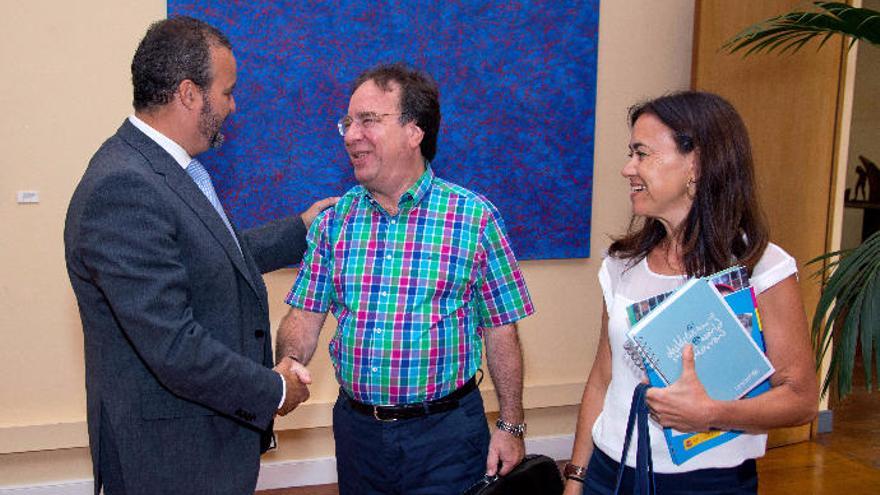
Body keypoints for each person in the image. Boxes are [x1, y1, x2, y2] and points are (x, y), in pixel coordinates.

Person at [64, 16, 335, 495]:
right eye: (227, 92)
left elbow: (207, 256)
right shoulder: (124, 186)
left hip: (199, 448)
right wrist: (272, 390)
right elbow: (172, 347)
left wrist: (300, 230)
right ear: (189, 94)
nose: (233, 106)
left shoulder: (161, 169)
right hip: (169, 460)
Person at [275, 63, 535, 494]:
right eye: (347, 121)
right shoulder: (333, 222)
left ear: (415, 132)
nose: (350, 134)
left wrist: (511, 424)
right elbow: (304, 317)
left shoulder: (474, 218)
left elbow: (501, 329)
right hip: (358, 434)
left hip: (447, 437)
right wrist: (288, 365)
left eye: (368, 121)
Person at [563, 91, 818, 494]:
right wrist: (577, 477)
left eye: (642, 153)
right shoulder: (620, 264)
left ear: (695, 165)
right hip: (609, 475)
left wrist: (712, 413)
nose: (627, 168)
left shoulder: (762, 268)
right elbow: (602, 378)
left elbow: (801, 399)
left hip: (707, 482)